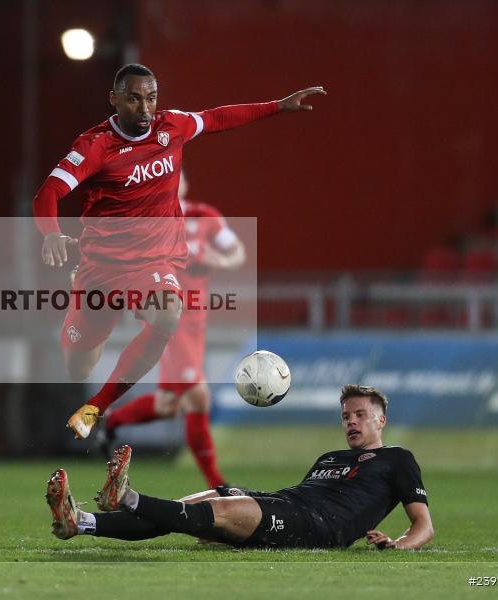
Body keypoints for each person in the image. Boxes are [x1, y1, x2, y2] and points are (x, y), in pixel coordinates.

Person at [32, 63, 325, 439]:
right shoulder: (95, 145)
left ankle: (96, 408)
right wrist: (52, 234)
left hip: (157, 259)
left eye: (151, 98)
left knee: (168, 314)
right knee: (79, 368)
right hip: (101, 267)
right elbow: (48, 193)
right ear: (115, 100)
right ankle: (84, 308)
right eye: (134, 99)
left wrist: (278, 106)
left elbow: (218, 118)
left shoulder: (172, 126)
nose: (144, 108)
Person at [46, 385, 434, 550]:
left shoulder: (397, 458)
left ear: (380, 420)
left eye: (361, 415)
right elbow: (301, 499)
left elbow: (424, 526)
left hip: (319, 527)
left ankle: (126, 497)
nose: (351, 421)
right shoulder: (329, 458)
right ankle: (79, 523)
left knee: (217, 511)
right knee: (195, 505)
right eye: (346, 415)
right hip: (290, 506)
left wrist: (399, 544)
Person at [99, 171, 245, 488]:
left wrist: (214, 259)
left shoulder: (205, 217)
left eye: (176, 177)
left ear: (186, 184)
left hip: (195, 322)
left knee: (168, 405)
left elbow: (237, 254)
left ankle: (112, 421)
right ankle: (218, 486)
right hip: (167, 317)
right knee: (197, 396)